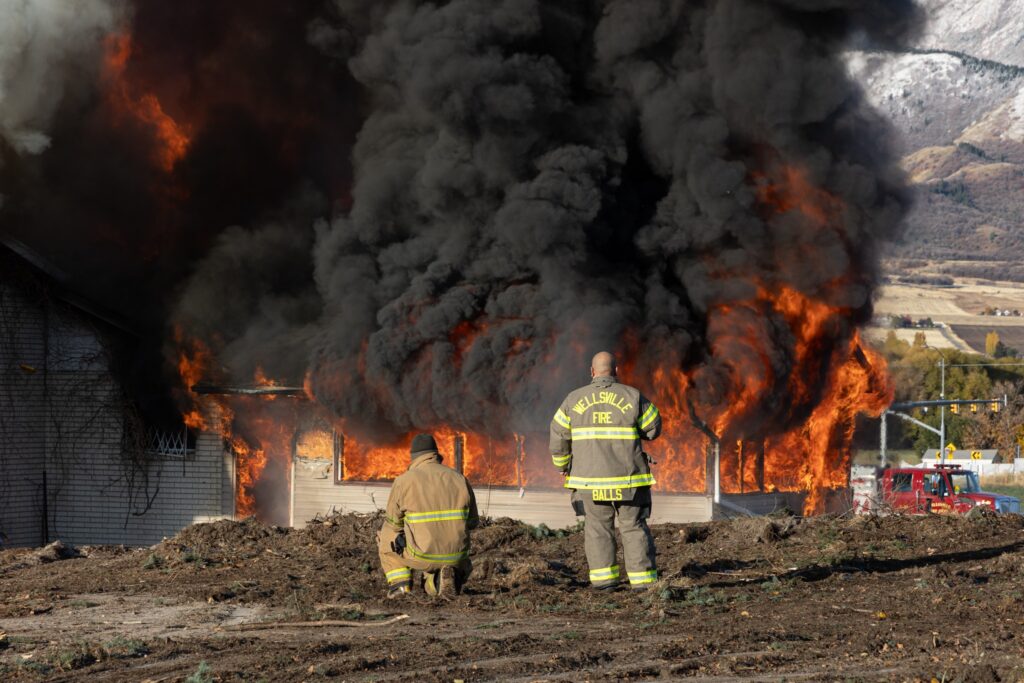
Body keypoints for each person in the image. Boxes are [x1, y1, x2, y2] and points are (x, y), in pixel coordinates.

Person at [549, 351, 662, 590]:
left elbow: (558, 435)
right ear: (616, 371)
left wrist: (562, 465)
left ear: (592, 372)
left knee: (598, 528)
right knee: (633, 527)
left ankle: (605, 581)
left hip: (589, 481)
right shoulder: (633, 396)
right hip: (629, 480)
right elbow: (653, 429)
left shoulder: (573, 399)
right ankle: (642, 582)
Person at [378, 433, 479, 597]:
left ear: (413, 457)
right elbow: (473, 522)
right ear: (436, 454)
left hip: (422, 556)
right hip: (457, 557)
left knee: (386, 533)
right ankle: (437, 582)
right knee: (436, 568)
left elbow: (394, 524)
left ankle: (400, 586)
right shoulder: (459, 478)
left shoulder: (404, 481)